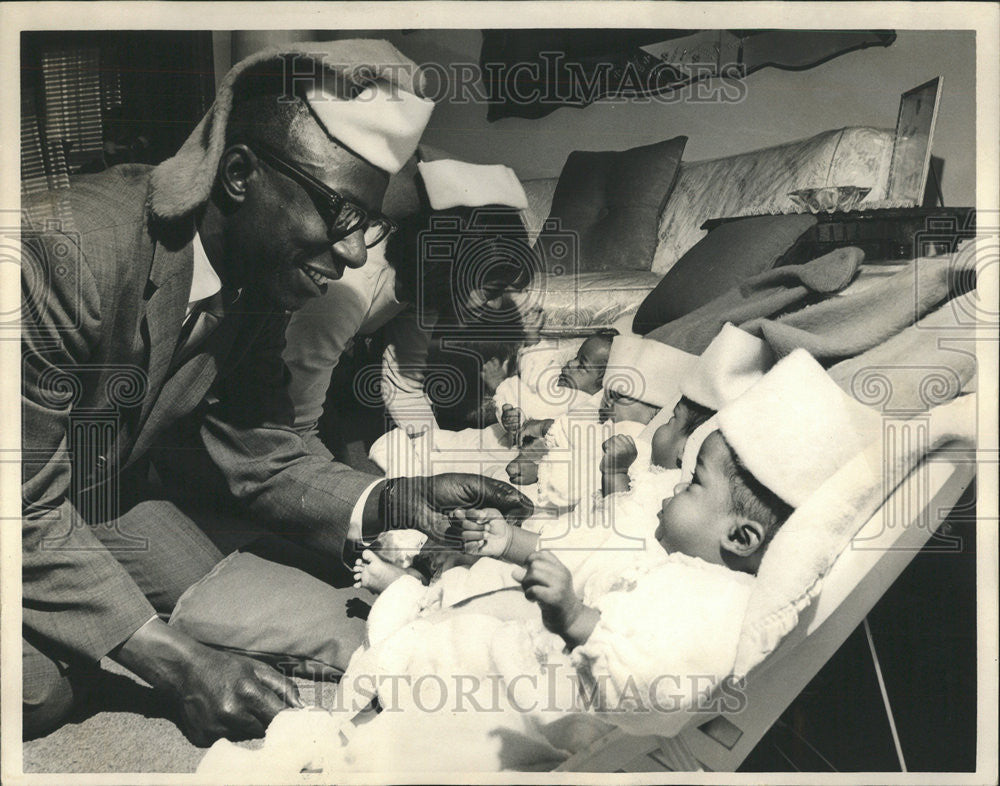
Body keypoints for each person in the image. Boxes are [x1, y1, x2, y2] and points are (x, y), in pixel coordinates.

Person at [21, 41, 532, 744]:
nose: (356, 253)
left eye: (369, 225)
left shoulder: (257, 284)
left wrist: (389, 499)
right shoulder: (57, 252)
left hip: (98, 488)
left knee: (269, 603)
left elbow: (261, 449)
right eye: (340, 213)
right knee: (46, 688)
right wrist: (172, 663)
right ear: (239, 174)